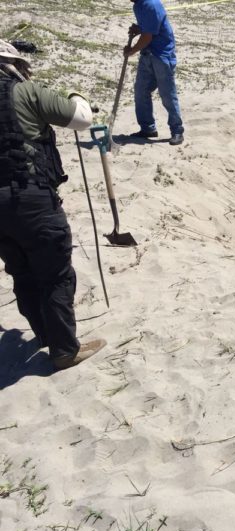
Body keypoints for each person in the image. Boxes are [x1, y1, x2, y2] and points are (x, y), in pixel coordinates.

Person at [0, 40, 106, 370]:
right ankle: (63, 350)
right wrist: (76, 96)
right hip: (30, 197)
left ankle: (45, 334)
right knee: (55, 275)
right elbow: (80, 118)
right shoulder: (24, 91)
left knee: (21, 270)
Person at [125, 0, 184, 145]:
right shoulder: (138, 5)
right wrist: (138, 29)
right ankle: (148, 128)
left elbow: (147, 37)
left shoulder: (150, 4)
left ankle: (177, 131)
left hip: (162, 55)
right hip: (148, 54)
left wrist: (131, 51)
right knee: (141, 91)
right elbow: (149, 28)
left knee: (167, 95)